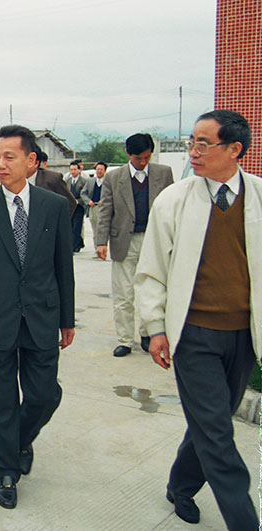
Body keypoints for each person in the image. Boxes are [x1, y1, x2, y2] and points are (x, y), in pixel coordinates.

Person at [136, 110, 260, 530]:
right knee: (218, 434)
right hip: (194, 335)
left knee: (212, 423)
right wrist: (155, 328)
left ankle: (182, 485)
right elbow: (151, 271)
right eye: (191, 142)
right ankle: (244, 521)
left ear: (235, 149)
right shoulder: (174, 200)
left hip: (245, 336)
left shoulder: (259, 196)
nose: (193, 151)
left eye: (203, 143)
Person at [0, 125, 74, 510]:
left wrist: (67, 319)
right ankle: (5, 471)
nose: (0, 164)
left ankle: (21, 439)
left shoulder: (53, 206)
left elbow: (63, 267)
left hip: (42, 317)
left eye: (9, 156)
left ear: (31, 160)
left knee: (44, 394)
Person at [95, 133, 173, 357]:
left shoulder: (163, 173)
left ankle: (149, 334)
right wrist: (101, 242)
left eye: (147, 157)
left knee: (153, 291)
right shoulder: (114, 178)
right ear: (128, 154)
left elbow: (172, 207)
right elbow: (105, 211)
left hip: (154, 241)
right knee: (123, 294)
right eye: (138, 158)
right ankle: (125, 340)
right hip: (124, 242)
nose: (143, 162)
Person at [29, 148, 76, 215]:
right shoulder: (13, 182)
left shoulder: (53, 179)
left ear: (34, 161)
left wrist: (57, 220)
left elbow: (70, 203)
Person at [64, 160, 88, 252]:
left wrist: (78, 201)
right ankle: (78, 243)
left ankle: (74, 247)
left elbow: (85, 194)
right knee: (70, 225)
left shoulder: (84, 181)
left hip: (79, 206)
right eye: (71, 170)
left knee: (77, 226)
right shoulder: (68, 181)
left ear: (79, 170)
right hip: (70, 207)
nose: (73, 171)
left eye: (74, 169)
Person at [84, 162, 107, 251]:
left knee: (103, 229)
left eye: (101, 169)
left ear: (105, 171)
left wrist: (104, 200)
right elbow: (83, 193)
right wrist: (88, 201)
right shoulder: (90, 181)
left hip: (104, 208)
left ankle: (103, 247)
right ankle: (96, 248)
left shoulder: (108, 181)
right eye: (98, 169)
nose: (99, 171)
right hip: (93, 207)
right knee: (95, 229)